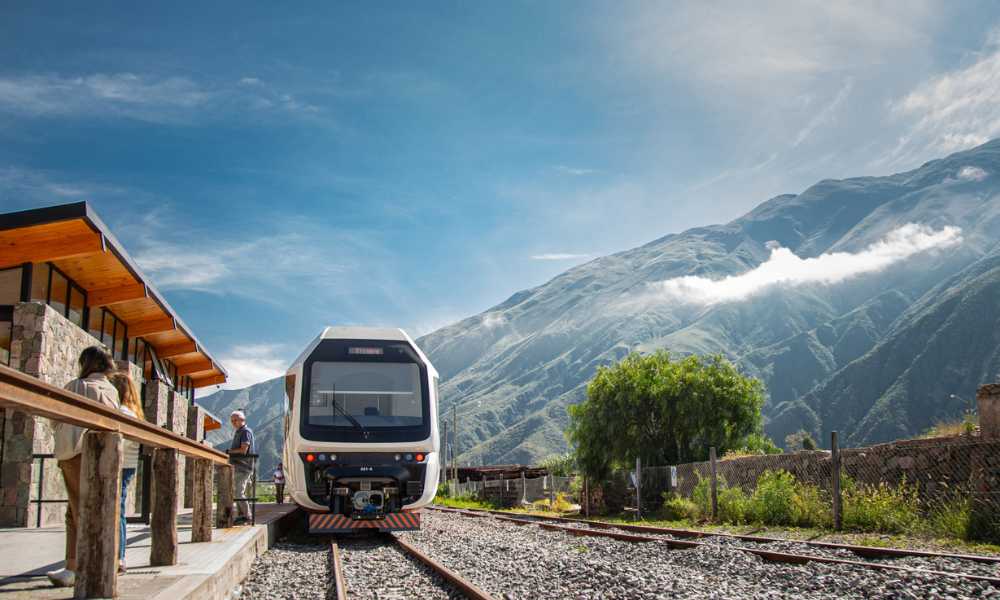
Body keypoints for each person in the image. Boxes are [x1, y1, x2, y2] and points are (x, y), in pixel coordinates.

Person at [47, 347, 120, 588]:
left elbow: (56, 417)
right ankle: (101, 562)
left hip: (77, 453)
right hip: (104, 457)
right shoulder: (111, 391)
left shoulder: (78, 386)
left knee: (76, 511)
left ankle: (77, 567)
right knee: (98, 509)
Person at [109, 371, 143, 574]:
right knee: (118, 508)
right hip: (127, 464)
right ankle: (118, 556)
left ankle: (118, 556)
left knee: (115, 510)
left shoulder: (120, 411)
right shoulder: (134, 412)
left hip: (117, 464)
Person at [227, 410, 256, 524]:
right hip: (239, 466)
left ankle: (247, 516)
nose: (233, 422)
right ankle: (242, 516)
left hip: (243, 467)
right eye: (232, 421)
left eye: (235, 420)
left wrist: (229, 452)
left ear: (242, 420)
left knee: (239, 492)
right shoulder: (240, 431)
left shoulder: (245, 432)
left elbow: (243, 450)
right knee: (237, 491)